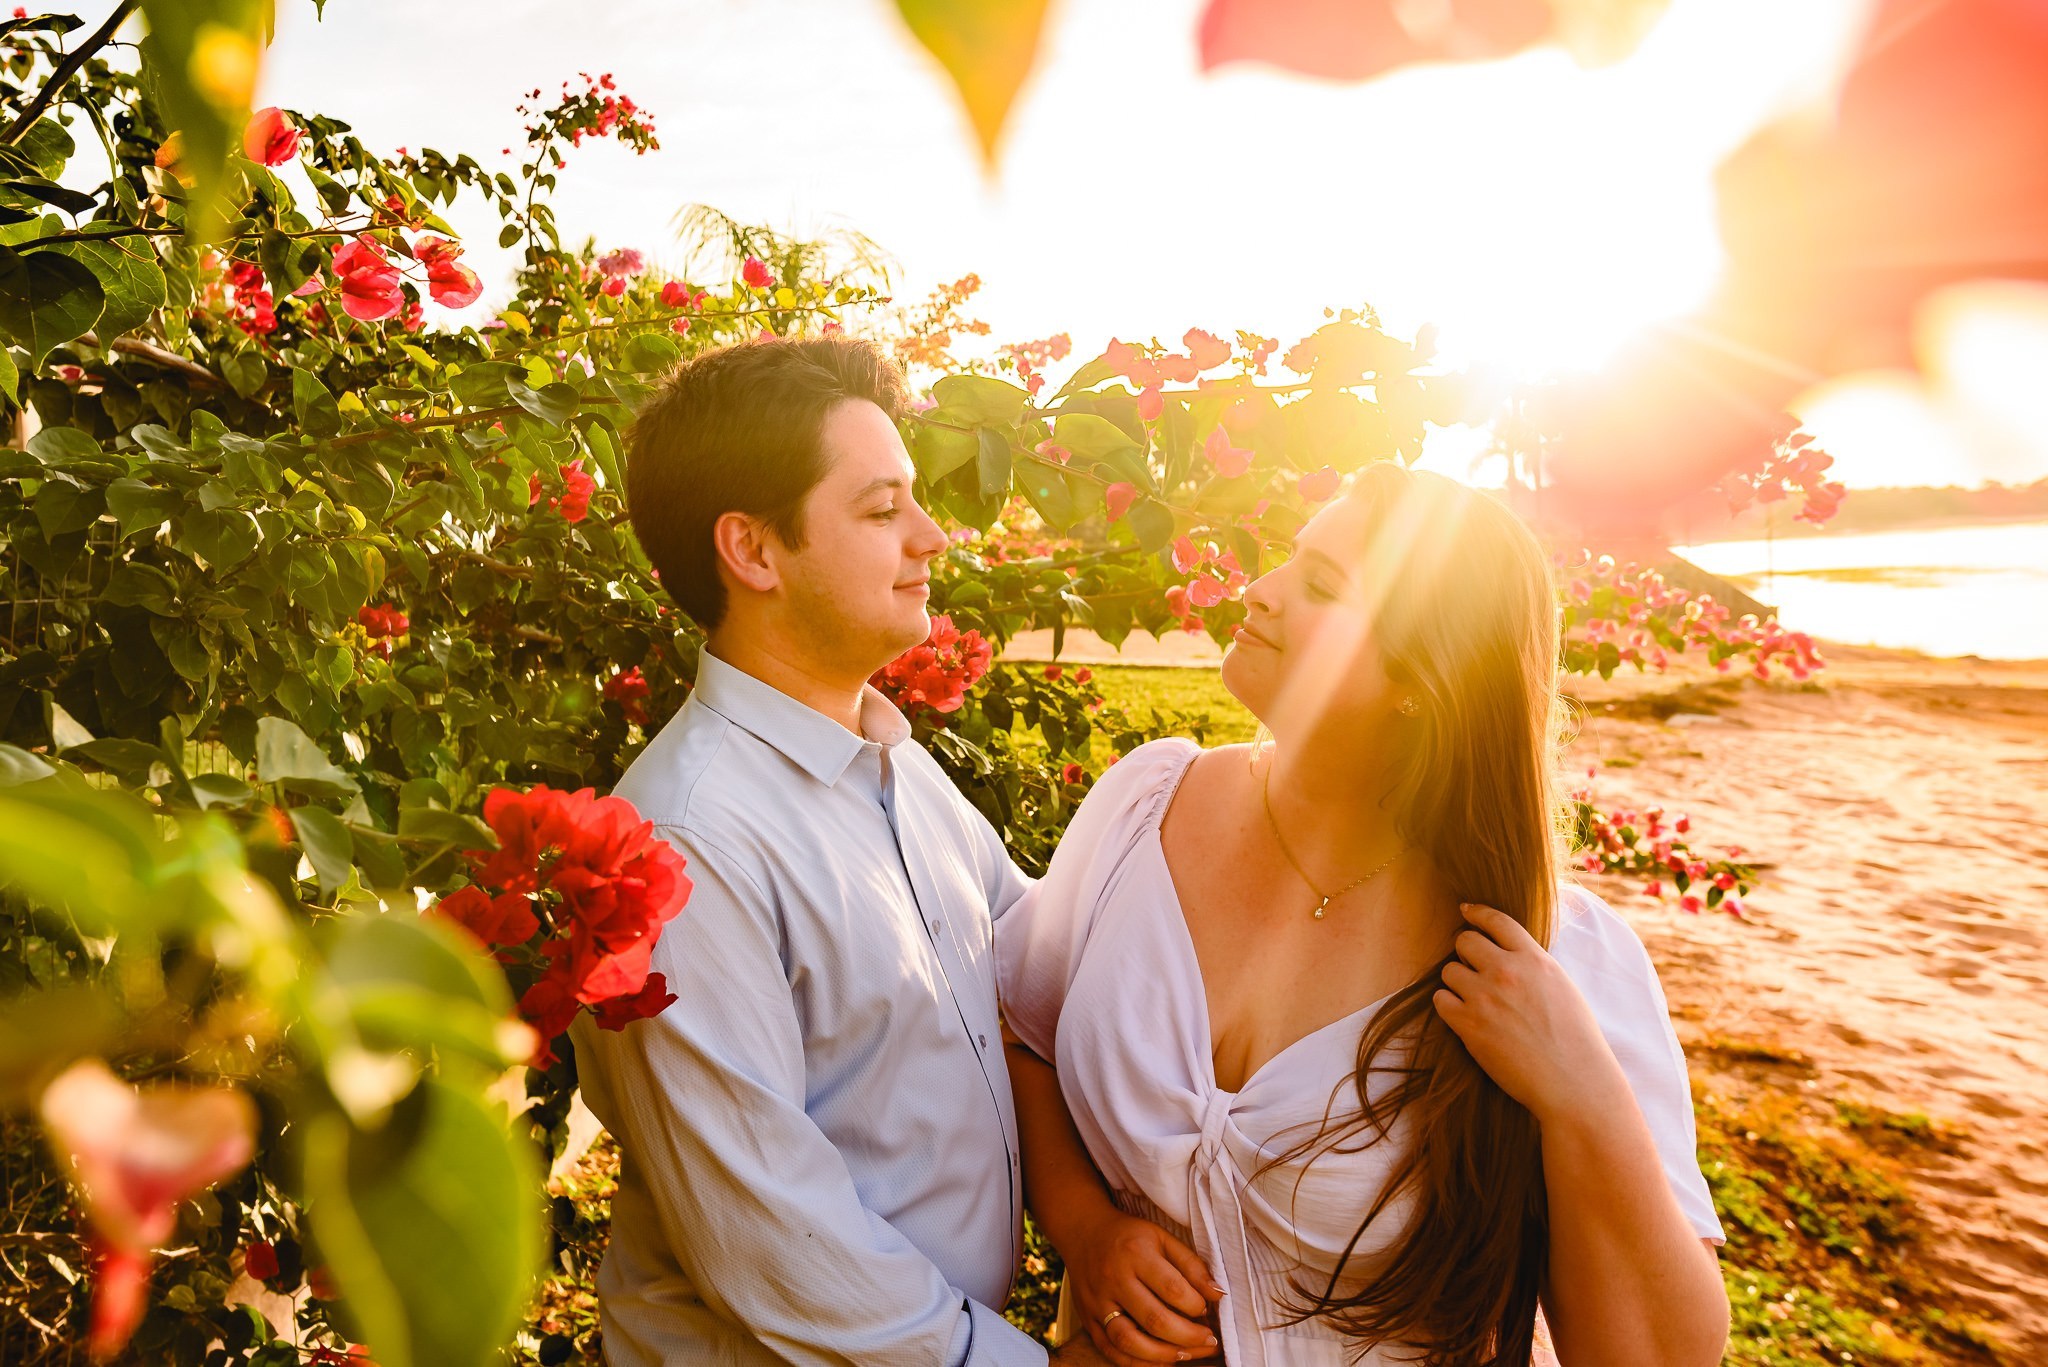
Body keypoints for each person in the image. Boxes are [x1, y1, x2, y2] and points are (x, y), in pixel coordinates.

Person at [997, 463, 1731, 1367]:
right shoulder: (1147, 805)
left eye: (1320, 585)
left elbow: (1664, 1356)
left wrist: (1584, 1094)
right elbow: (1025, 1036)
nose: (1259, 591)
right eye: (1287, 558)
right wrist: (1088, 1229)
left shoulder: (1552, 954)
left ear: (1422, 676)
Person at [569, 336, 1089, 1366]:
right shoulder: (685, 843)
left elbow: (1048, 972)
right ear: (754, 551)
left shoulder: (901, 768)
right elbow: (775, 1235)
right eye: (883, 509)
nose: (931, 536)